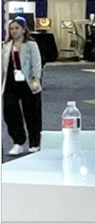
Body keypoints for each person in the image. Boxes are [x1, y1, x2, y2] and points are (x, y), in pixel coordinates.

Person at [2, 17, 43, 155]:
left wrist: (36, 79)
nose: (14, 31)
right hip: (10, 82)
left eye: (16, 28)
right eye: (11, 29)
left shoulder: (31, 44)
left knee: (32, 113)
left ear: (23, 29)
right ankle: (18, 141)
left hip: (28, 82)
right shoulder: (6, 45)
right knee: (10, 112)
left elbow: (36, 63)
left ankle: (34, 142)